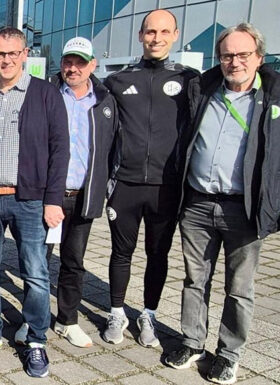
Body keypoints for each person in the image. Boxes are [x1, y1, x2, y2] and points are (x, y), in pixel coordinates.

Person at [164, 23, 280, 384]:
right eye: (227, 55)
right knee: (195, 279)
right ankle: (192, 342)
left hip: (246, 208)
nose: (234, 61)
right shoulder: (202, 90)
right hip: (196, 205)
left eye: (242, 54)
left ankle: (228, 353)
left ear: (259, 57)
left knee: (239, 288)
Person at [0, 26, 69, 378]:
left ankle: (36, 339)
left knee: (35, 274)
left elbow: (60, 149)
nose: (5, 60)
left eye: (12, 53)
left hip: (29, 200)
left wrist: (54, 200)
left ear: (25, 55)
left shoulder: (45, 94)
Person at [101, 9, 198, 347]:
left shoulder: (191, 80)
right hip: (124, 185)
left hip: (165, 188)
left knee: (158, 254)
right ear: (140, 36)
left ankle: (149, 315)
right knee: (120, 253)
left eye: (163, 32)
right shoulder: (118, 80)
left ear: (174, 35)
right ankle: (116, 313)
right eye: (150, 32)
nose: (156, 38)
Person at [15, 37, 116, 348]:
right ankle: (33, 320)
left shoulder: (105, 101)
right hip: (47, 195)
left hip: (83, 194)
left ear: (92, 65)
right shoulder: (44, 93)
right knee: (37, 262)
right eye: (68, 62)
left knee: (74, 261)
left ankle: (67, 320)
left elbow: (113, 149)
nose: (73, 68)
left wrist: (107, 188)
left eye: (80, 63)